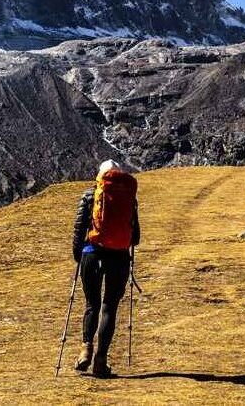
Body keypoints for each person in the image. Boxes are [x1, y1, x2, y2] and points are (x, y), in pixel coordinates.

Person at [71, 160, 140, 378]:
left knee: (92, 304)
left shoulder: (90, 195)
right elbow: (135, 237)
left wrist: (78, 257)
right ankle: (101, 360)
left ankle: (86, 349)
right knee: (109, 307)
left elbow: (79, 229)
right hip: (118, 258)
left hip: (91, 254)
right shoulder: (129, 199)